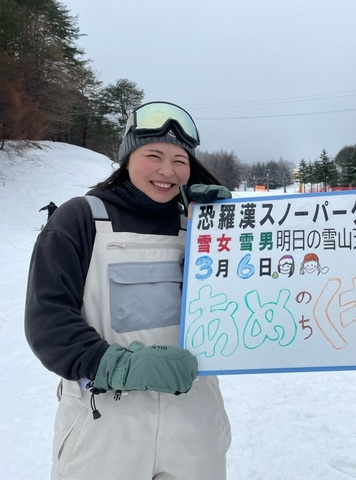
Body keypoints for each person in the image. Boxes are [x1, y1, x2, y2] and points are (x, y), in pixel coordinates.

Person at [25, 101, 233, 480]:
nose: (167, 171)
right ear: (126, 159)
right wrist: (117, 365)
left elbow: (231, 306)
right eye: (153, 155)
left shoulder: (197, 224)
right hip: (104, 425)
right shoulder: (80, 218)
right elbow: (48, 319)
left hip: (194, 422)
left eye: (179, 160)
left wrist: (224, 238)